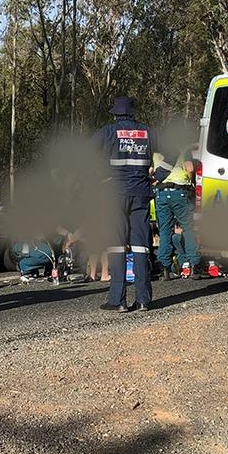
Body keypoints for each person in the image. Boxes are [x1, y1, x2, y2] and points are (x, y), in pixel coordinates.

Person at [93, 96, 155, 312]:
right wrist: (159, 175)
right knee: (141, 246)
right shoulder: (148, 132)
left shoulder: (107, 132)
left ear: (115, 113)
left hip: (115, 193)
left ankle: (117, 300)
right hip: (141, 192)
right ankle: (144, 300)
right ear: (133, 112)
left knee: (117, 245)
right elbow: (174, 152)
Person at [152, 149, 199, 279]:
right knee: (188, 229)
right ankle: (193, 265)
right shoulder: (183, 149)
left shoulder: (156, 151)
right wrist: (192, 182)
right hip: (180, 192)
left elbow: (151, 171)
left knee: (165, 230)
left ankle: (165, 268)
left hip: (161, 193)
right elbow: (189, 168)